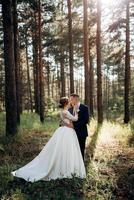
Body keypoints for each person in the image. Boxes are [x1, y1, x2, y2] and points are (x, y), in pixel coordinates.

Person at [11, 97, 86, 182]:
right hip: (67, 132)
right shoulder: (66, 112)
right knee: (67, 149)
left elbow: (63, 122)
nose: (70, 103)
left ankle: (64, 166)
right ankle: (66, 168)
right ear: (66, 103)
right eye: (68, 102)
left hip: (63, 130)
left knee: (63, 149)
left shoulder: (62, 112)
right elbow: (75, 119)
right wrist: (76, 111)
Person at [68, 93, 90, 160]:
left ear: (76, 99)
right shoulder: (69, 109)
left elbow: (85, 120)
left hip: (81, 133)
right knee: (72, 149)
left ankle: (81, 164)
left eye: (71, 99)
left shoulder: (84, 108)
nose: (70, 101)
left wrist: (74, 126)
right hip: (71, 133)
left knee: (81, 148)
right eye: (70, 99)